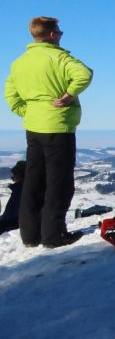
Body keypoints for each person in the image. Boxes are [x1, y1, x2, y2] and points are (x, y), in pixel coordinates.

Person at [5, 17, 93, 249]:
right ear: (52, 35)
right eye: (60, 31)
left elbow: (11, 96)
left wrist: (30, 111)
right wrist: (69, 94)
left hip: (33, 126)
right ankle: (53, 235)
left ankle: (30, 235)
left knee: (34, 179)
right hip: (58, 126)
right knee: (59, 181)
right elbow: (84, 73)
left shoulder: (19, 63)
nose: (61, 35)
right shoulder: (59, 57)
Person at [0, 161, 26, 234]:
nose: (12, 178)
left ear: (21, 176)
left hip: (12, 223)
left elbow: (11, 215)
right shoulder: (21, 189)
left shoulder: (20, 190)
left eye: (14, 175)